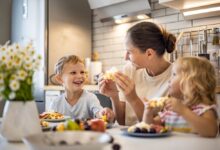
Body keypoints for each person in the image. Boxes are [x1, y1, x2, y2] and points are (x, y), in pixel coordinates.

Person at [99, 21, 176, 125]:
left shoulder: (177, 78)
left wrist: (133, 99)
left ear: (149, 53)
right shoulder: (129, 70)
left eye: (129, 52)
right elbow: (122, 122)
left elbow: (156, 126)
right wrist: (114, 96)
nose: (125, 57)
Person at [143, 57, 219, 137]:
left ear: (191, 83)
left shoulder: (203, 110)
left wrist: (183, 110)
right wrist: (148, 112)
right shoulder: (170, 111)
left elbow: (211, 131)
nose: (169, 80)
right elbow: (150, 126)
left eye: (174, 75)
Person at [48, 55, 115, 122]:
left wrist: (104, 113)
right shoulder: (56, 103)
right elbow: (49, 121)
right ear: (60, 79)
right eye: (73, 73)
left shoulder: (90, 98)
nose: (79, 76)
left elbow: (99, 113)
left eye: (82, 72)